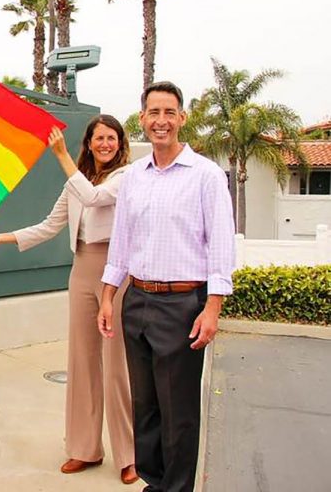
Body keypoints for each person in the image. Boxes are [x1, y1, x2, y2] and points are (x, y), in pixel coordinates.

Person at [0, 116, 138, 485]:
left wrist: (62, 156)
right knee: (81, 362)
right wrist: (3, 238)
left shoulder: (125, 178)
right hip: (82, 269)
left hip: (116, 269)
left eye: (111, 138)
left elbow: (95, 198)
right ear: (90, 142)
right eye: (98, 137)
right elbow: (50, 226)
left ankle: (129, 455)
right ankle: (84, 449)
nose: (105, 144)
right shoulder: (76, 182)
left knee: (117, 367)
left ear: (120, 143)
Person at [98, 81, 235, 492]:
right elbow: (121, 243)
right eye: (153, 113)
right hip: (136, 300)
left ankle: (176, 488)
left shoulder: (206, 176)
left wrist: (212, 309)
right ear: (142, 119)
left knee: (178, 410)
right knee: (146, 407)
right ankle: (154, 483)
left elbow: (222, 248)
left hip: (182, 305)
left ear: (182, 118)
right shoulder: (134, 178)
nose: (161, 121)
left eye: (169, 113)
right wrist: (108, 297)